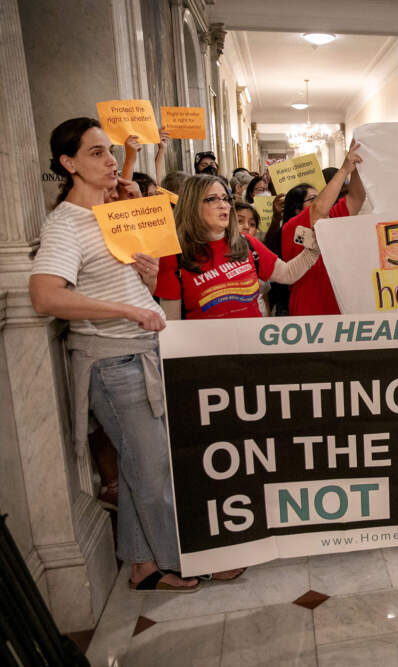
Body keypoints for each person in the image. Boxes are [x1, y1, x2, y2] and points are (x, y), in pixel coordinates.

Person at [29, 117, 199, 593]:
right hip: (115, 362)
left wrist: (143, 278)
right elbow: (45, 296)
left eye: (109, 151)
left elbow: (122, 281)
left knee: (140, 464)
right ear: (68, 164)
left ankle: (143, 564)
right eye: (97, 153)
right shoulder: (66, 223)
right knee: (152, 467)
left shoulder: (110, 213)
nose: (110, 161)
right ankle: (173, 562)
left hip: (139, 350)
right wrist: (125, 309)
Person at [155, 174, 321, 320]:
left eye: (225, 198)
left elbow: (287, 274)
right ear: (192, 205)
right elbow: (172, 326)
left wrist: (313, 250)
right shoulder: (174, 256)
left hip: (254, 349)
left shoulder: (246, 242)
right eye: (212, 199)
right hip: (207, 352)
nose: (223, 205)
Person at [282, 141, 366, 315]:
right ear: (297, 208)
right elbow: (318, 209)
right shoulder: (291, 227)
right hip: (309, 312)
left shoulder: (332, 218)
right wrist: (343, 170)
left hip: (338, 308)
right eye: (313, 198)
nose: (321, 199)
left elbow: (356, 197)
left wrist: (358, 164)